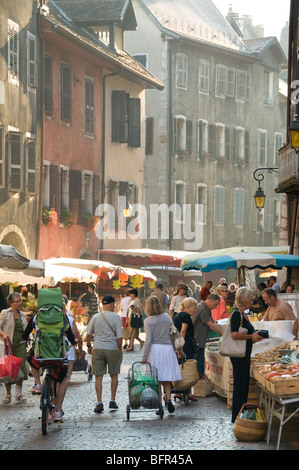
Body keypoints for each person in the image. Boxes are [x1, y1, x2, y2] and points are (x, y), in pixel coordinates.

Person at [141, 296, 182, 414]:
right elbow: (172, 333)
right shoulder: (166, 317)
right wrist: (177, 349)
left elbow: (148, 340)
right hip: (168, 349)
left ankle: (159, 404)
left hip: (155, 350)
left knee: (157, 379)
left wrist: (144, 357)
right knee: (167, 378)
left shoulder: (148, 321)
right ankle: (169, 399)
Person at [230, 287, 263, 423]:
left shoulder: (241, 313)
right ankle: (237, 417)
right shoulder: (237, 314)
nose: (252, 302)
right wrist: (251, 337)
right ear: (245, 300)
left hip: (244, 354)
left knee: (242, 386)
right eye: (250, 300)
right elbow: (234, 334)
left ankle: (239, 416)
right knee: (240, 386)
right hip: (239, 356)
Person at [85, 295, 123, 413]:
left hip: (98, 348)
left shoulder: (96, 317)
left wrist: (89, 346)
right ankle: (112, 400)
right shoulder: (116, 317)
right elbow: (120, 337)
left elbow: (88, 335)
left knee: (98, 376)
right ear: (112, 304)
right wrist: (119, 350)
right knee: (114, 375)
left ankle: (99, 402)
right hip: (112, 348)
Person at [53, 296, 83, 423]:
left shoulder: (43, 319)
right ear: (64, 307)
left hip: (50, 352)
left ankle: (50, 402)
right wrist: (79, 350)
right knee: (64, 380)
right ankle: (58, 410)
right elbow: (77, 338)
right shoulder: (69, 320)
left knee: (53, 376)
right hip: (67, 353)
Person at [0, 292, 28, 404]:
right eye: (17, 301)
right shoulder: (5, 313)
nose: (19, 303)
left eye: (20, 301)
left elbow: (25, 330)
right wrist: (3, 335)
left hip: (21, 344)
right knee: (9, 369)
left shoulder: (23, 314)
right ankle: (8, 394)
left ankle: (19, 394)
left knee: (21, 368)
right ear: (11, 303)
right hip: (9, 345)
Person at [173, 297, 198, 401]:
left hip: (176, 344)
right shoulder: (186, 316)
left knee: (179, 368)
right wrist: (181, 347)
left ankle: (178, 391)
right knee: (187, 369)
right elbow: (183, 331)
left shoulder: (176, 315)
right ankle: (188, 392)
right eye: (194, 308)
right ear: (188, 307)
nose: (195, 310)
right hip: (185, 345)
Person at [192, 294, 223, 375]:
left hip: (200, 340)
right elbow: (211, 325)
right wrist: (225, 334)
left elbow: (213, 323)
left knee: (200, 361)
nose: (215, 307)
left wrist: (225, 327)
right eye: (215, 305)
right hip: (197, 340)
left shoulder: (205, 308)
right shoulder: (203, 310)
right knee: (199, 364)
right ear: (210, 301)